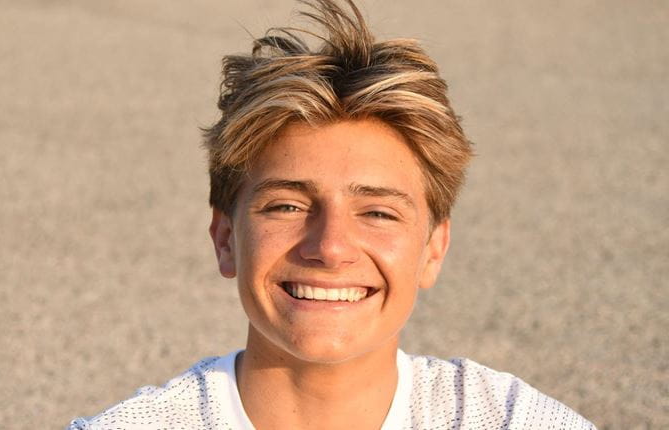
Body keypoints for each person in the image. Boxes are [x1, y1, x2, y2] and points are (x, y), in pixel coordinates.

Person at [68, 0, 595, 428]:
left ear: (434, 248)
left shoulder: (512, 419)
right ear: (225, 237)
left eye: (378, 213)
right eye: (288, 205)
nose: (331, 247)